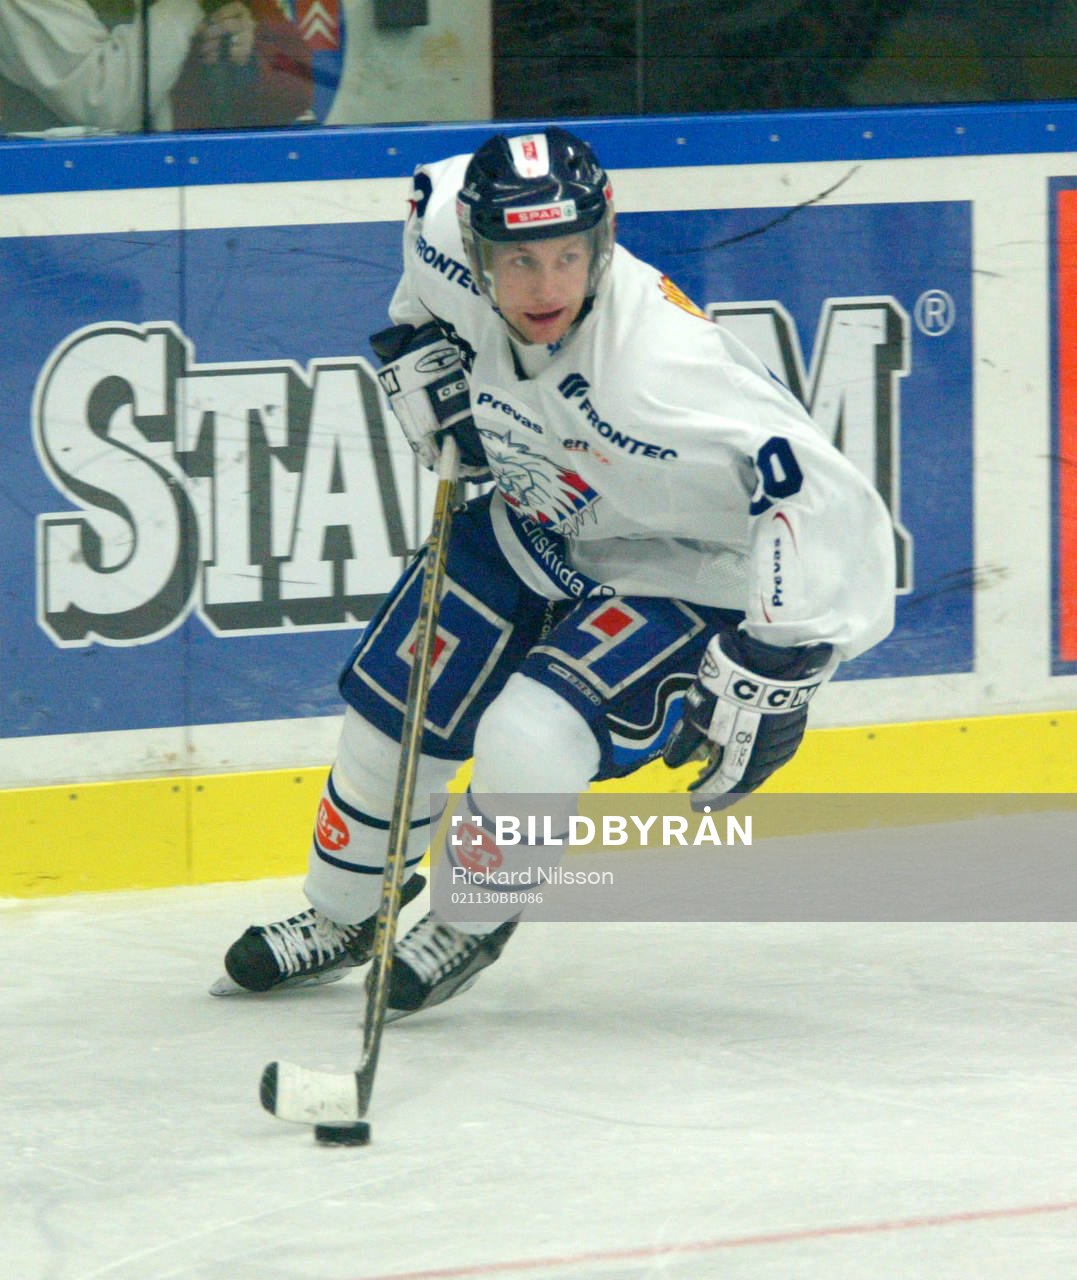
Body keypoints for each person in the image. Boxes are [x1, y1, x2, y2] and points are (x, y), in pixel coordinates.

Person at [211, 126, 897, 1013]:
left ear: (601, 240)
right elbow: (425, 227)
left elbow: (821, 493)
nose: (546, 287)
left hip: (689, 567)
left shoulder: (657, 369)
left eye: (569, 257)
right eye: (519, 261)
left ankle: (471, 917)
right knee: (397, 710)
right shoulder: (445, 235)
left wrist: (781, 658)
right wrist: (425, 361)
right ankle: (344, 915)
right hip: (542, 514)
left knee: (529, 736)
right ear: (475, 249)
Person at [0, 0, 311, 134]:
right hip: (73, 211)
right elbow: (105, 104)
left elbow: (298, 90)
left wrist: (250, 49)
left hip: (217, 198)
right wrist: (186, 10)